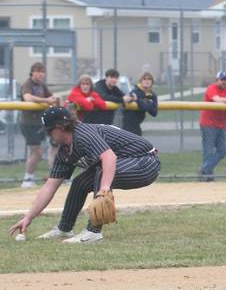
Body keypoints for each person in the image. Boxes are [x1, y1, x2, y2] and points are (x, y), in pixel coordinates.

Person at [8, 106, 160, 244]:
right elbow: (50, 186)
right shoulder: (64, 151)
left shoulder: (82, 134)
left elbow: (109, 157)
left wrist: (104, 190)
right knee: (79, 182)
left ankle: (93, 232)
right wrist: (28, 217)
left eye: (49, 130)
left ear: (60, 127)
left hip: (145, 162)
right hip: (129, 162)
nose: (48, 135)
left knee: (101, 174)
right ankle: (64, 229)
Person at [19, 62, 61, 188]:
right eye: (37, 71)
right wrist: (46, 101)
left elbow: (51, 96)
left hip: (41, 123)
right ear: (32, 72)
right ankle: (27, 179)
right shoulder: (28, 84)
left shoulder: (42, 85)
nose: (40, 74)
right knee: (36, 152)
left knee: (40, 152)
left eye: (42, 71)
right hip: (29, 124)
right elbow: (27, 98)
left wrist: (55, 98)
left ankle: (48, 178)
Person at [199, 71, 226, 181]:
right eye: (222, 79)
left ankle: (205, 169)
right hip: (208, 124)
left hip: (220, 125)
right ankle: (207, 175)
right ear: (217, 80)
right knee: (208, 151)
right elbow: (217, 100)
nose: (224, 82)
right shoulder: (211, 88)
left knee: (222, 151)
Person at [122, 71, 159, 136]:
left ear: (152, 82)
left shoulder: (152, 95)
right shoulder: (135, 92)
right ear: (140, 81)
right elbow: (125, 101)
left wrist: (139, 101)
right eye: (144, 79)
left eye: (149, 79)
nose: (147, 81)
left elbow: (154, 113)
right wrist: (147, 103)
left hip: (137, 125)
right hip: (128, 126)